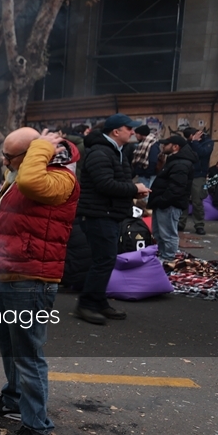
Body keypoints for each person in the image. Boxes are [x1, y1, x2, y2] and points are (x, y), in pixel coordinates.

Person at [0, 128, 80, 435]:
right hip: (10, 274)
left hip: (33, 280)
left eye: (10, 156)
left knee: (28, 355)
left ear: (36, 153)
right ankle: (14, 398)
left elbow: (32, 182)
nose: (4, 161)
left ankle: (37, 426)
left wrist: (41, 148)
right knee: (8, 344)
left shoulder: (61, 180)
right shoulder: (18, 173)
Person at [74, 114, 149, 325]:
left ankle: (98, 301)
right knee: (103, 260)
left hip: (108, 213)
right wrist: (134, 188)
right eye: (129, 128)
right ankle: (86, 305)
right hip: (98, 215)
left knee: (105, 260)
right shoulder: (101, 152)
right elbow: (105, 184)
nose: (132, 132)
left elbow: (117, 182)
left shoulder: (116, 151)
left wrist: (134, 193)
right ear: (116, 131)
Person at [147, 135, 196, 261]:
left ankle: (168, 259)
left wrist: (162, 201)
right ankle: (163, 256)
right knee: (159, 234)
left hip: (169, 205)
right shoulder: (174, 161)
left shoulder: (181, 163)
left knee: (168, 235)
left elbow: (177, 188)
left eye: (166, 144)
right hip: (163, 204)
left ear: (175, 147)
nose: (163, 146)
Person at [179, 127, 214, 235]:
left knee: (197, 201)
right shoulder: (188, 143)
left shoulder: (208, 142)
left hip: (199, 175)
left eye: (191, 137)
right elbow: (185, 154)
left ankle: (199, 225)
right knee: (183, 199)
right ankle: (180, 223)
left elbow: (202, 153)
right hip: (187, 174)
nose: (190, 139)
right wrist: (192, 142)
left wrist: (195, 142)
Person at [130, 125, 159, 189]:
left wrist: (147, 174)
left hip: (147, 175)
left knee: (146, 195)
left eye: (136, 134)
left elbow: (153, 160)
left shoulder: (152, 144)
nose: (135, 136)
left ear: (141, 134)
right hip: (144, 174)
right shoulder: (142, 144)